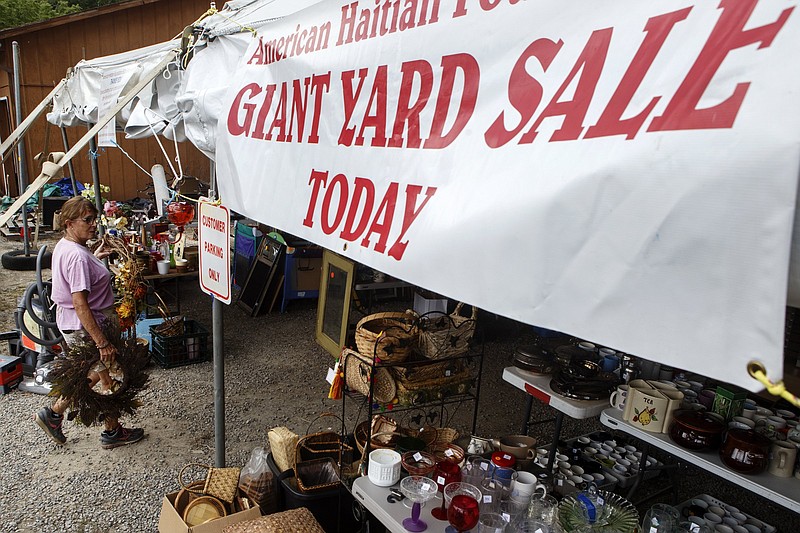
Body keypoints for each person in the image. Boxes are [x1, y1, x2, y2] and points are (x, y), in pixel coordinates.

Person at [35, 196, 145, 449]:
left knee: (105, 377)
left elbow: (77, 273)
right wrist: (101, 341)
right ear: (69, 222)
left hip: (74, 322)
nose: (94, 224)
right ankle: (55, 412)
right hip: (86, 323)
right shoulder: (77, 257)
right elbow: (80, 302)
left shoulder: (68, 246)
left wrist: (95, 257)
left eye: (95, 219)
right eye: (87, 220)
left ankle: (109, 429)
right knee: (103, 374)